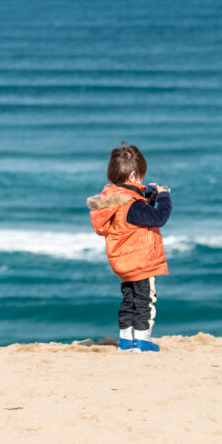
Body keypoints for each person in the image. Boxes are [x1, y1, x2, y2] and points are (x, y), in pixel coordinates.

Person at [87, 142, 172, 353]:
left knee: (129, 299)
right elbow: (158, 218)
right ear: (134, 177)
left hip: (122, 261)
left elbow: (135, 219)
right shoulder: (132, 204)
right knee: (145, 300)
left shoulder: (112, 201)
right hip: (141, 261)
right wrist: (163, 196)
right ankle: (142, 340)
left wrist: (147, 198)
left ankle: (126, 340)